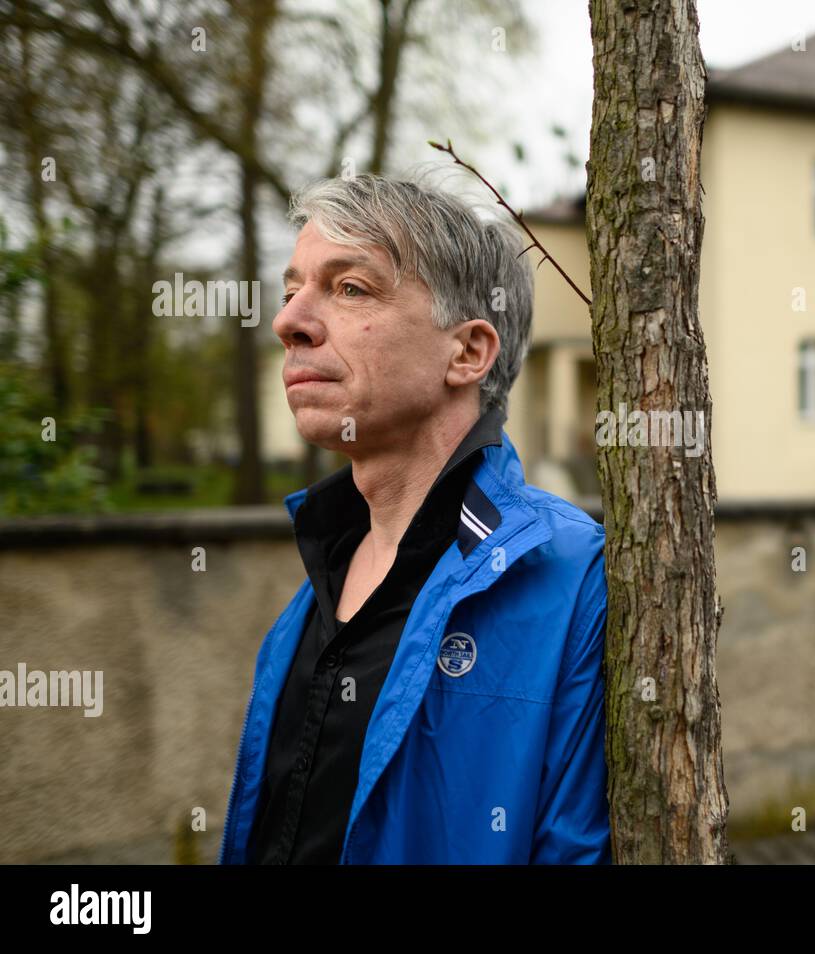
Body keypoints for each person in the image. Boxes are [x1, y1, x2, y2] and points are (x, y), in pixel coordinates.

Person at [218, 174, 611, 864]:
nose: (288, 322)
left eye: (349, 289)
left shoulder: (573, 578)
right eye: (290, 292)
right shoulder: (314, 585)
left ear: (467, 352)